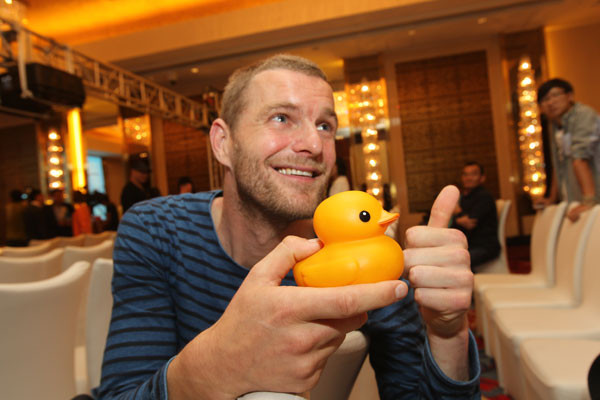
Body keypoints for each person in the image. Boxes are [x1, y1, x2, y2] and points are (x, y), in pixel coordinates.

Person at [96, 54, 479, 399]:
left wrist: (448, 335)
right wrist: (211, 370)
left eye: (326, 126)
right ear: (223, 143)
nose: (314, 144)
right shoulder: (158, 230)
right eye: (282, 118)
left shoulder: (363, 254)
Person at [537, 78, 600, 222]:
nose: (551, 102)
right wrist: (552, 199)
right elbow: (558, 163)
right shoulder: (554, 124)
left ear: (570, 96)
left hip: (594, 195)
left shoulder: (583, 114)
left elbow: (580, 159)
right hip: (577, 197)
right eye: (545, 99)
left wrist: (589, 201)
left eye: (555, 95)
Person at [451, 162, 500, 270]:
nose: (468, 178)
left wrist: (458, 212)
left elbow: (469, 223)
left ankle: (469, 284)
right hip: (467, 246)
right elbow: (457, 223)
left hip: (484, 247)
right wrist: (459, 219)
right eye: (465, 174)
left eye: (473, 174)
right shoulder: (464, 197)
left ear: (482, 178)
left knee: (453, 261)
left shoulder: (484, 196)